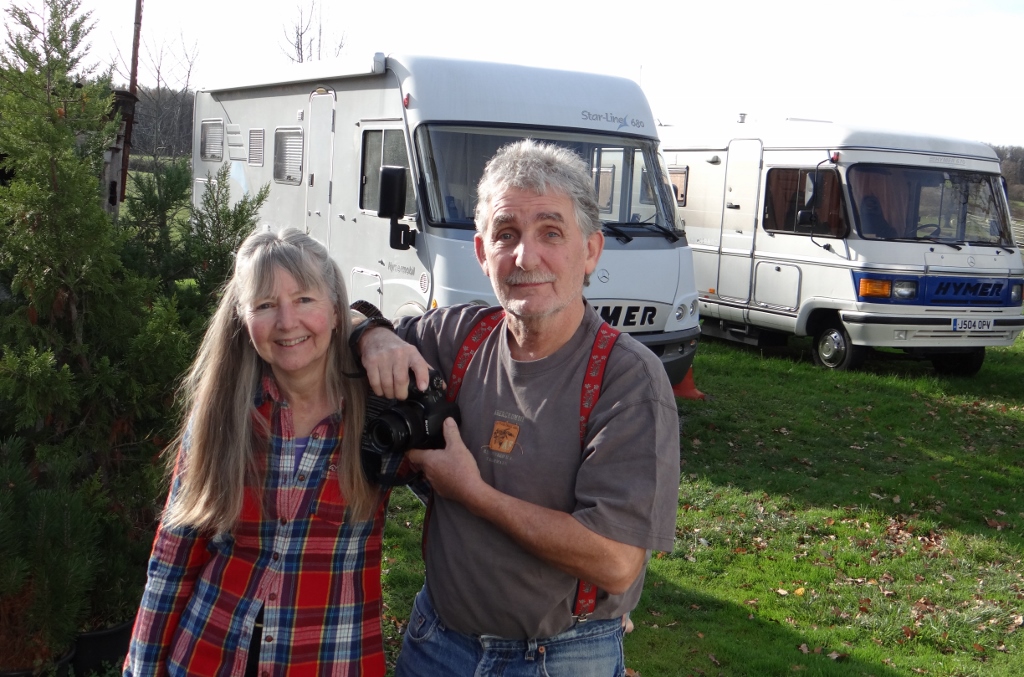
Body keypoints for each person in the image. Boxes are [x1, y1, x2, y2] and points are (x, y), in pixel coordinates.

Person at [357, 139, 680, 676]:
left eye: (551, 232)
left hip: (562, 658)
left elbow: (616, 561)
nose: (526, 257)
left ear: (590, 251)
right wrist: (372, 334)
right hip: (436, 644)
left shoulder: (627, 379)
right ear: (482, 253)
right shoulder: (455, 336)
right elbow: (336, 322)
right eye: (506, 234)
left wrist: (472, 492)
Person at [124, 228, 405, 677]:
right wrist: (142, 666)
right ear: (243, 317)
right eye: (266, 305)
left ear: (337, 311)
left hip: (328, 658)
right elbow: (174, 556)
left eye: (304, 300)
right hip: (208, 654)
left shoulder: (381, 416)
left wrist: (376, 332)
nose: (287, 322)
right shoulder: (224, 413)